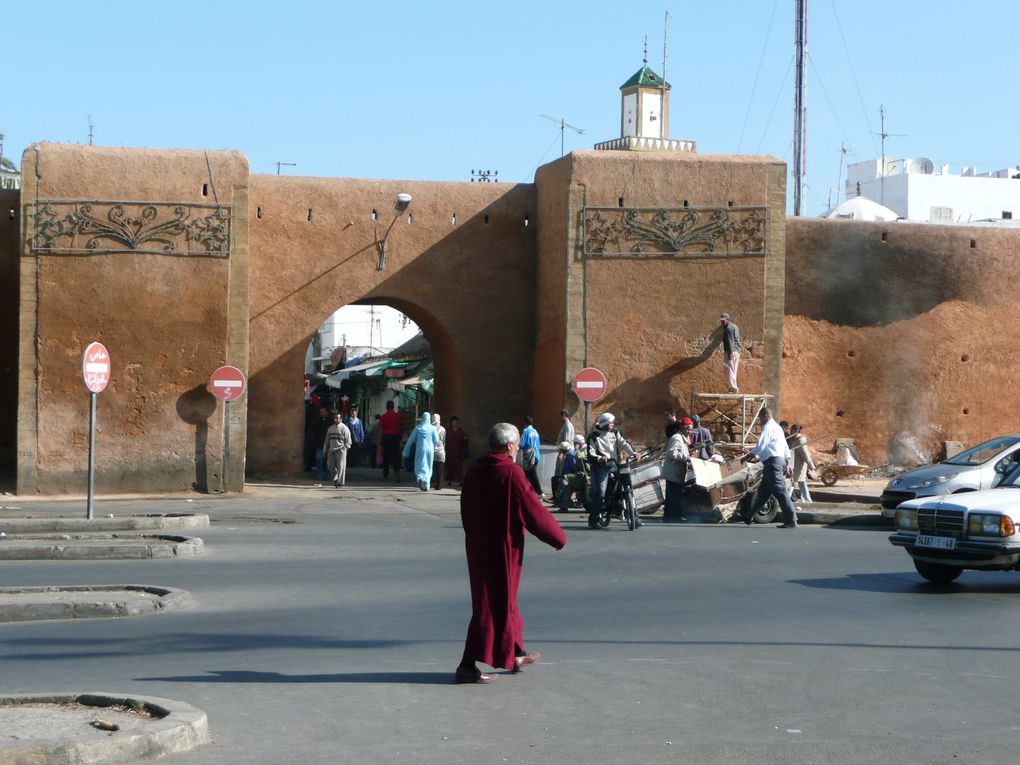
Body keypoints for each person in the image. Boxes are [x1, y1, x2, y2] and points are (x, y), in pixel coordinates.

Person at [456, 422, 567, 684]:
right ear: (508, 445)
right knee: (489, 604)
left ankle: (516, 653)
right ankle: (466, 666)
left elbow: (466, 507)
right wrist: (557, 537)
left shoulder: (475, 469)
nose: (518, 447)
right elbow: (533, 510)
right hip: (503, 547)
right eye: (517, 443)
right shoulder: (511, 472)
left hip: (478, 544)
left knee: (505, 601)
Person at [740, 407, 799, 528]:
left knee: (781, 492)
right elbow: (784, 447)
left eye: (760, 417)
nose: (760, 420)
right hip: (775, 463)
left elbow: (761, 444)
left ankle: (791, 520)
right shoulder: (777, 428)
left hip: (773, 463)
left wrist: (749, 456)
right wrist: (787, 463)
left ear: (766, 415)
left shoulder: (768, 427)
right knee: (763, 493)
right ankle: (749, 516)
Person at [586, 412, 638, 529]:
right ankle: (593, 519)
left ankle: (635, 517)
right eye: (611, 423)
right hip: (601, 467)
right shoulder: (594, 436)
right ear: (604, 424)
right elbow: (591, 453)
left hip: (615, 464)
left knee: (628, 485)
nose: (613, 425)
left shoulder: (615, 432)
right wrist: (600, 458)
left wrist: (634, 453)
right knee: (600, 492)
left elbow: (624, 443)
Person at [662, 423, 691, 522]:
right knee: (674, 496)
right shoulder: (677, 438)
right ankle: (674, 517)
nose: (689, 432)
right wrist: (686, 458)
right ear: (682, 428)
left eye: (690, 429)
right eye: (688, 429)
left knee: (672, 496)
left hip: (675, 472)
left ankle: (668, 517)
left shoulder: (681, 438)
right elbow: (671, 453)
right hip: (673, 472)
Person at [403, 411, 439, 492]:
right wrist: (434, 446)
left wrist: (406, 451)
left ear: (422, 418)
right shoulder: (433, 428)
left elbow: (410, 440)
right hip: (430, 450)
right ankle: (426, 485)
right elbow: (436, 440)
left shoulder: (418, 428)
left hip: (420, 449)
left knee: (419, 464)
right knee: (429, 466)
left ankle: (420, 478)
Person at [555, 434, 590, 512]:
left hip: (585, 474)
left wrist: (577, 449)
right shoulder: (580, 449)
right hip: (579, 474)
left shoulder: (586, 449)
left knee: (565, 478)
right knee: (567, 484)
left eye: (575, 443)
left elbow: (580, 459)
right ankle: (564, 506)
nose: (574, 445)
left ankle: (556, 496)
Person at [323, 412, 353, 488]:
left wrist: (345, 448)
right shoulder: (330, 428)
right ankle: (336, 477)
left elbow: (349, 441)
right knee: (330, 465)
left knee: (341, 466)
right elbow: (327, 440)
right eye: (335, 418)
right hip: (332, 449)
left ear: (341, 419)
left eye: (338, 418)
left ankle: (339, 482)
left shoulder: (344, 428)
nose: (336, 419)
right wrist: (325, 450)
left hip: (341, 450)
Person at [789, 424, 816, 503]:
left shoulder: (800, 440)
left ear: (796, 431)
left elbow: (805, 454)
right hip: (795, 464)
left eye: (792, 431)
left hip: (798, 466)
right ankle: (807, 500)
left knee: (792, 483)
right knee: (799, 483)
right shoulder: (794, 439)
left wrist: (811, 466)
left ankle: (786, 500)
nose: (790, 432)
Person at [379, 401, 403, 482]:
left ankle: (385, 472)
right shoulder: (398, 416)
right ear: (393, 407)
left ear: (386, 407)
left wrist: (380, 440)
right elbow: (401, 428)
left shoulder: (383, 417)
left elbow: (381, 430)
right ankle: (396, 471)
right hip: (396, 437)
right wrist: (400, 438)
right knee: (396, 456)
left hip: (386, 437)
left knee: (386, 455)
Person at [519, 416, 544, 496]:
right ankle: (525, 491)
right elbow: (538, 444)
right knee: (527, 474)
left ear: (525, 423)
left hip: (529, 456)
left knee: (532, 474)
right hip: (536, 454)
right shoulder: (535, 431)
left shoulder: (526, 431)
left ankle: (540, 492)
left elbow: (521, 444)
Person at [720, 313, 742, 393]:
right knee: (733, 370)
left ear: (728, 320)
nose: (722, 322)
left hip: (731, 351)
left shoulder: (728, 329)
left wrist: (730, 354)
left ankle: (733, 388)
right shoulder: (734, 326)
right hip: (737, 351)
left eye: (723, 320)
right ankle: (734, 387)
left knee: (727, 369)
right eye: (721, 321)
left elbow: (730, 342)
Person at [445, 416, 468, 486]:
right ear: (451, 423)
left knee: (458, 467)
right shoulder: (447, 430)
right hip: (449, 451)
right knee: (449, 466)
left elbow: (465, 436)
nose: (455, 423)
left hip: (458, 452)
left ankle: (460, 480)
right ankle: (449, 481)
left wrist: (466, 438)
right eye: (453, 422)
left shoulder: (460, 431)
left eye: (456, 422)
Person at [311, 405, 332, 480]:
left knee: (329, 460)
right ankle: (320, 473)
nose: (322, 413)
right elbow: (313, 431)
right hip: (320, 444)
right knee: (319, 458)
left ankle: (328, 474)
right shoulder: (317, 421)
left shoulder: (331, 421)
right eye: (321, 412)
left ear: (327, 412)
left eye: (323, 412)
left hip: (329, 444)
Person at [431, 413, 447, 490]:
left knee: (433, 468)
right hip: (441, 451)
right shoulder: (443, 429)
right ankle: (439, 485)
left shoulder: (430, 428)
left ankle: (433, 482)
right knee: (440, 470)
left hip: (432, 451)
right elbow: (444, 441)